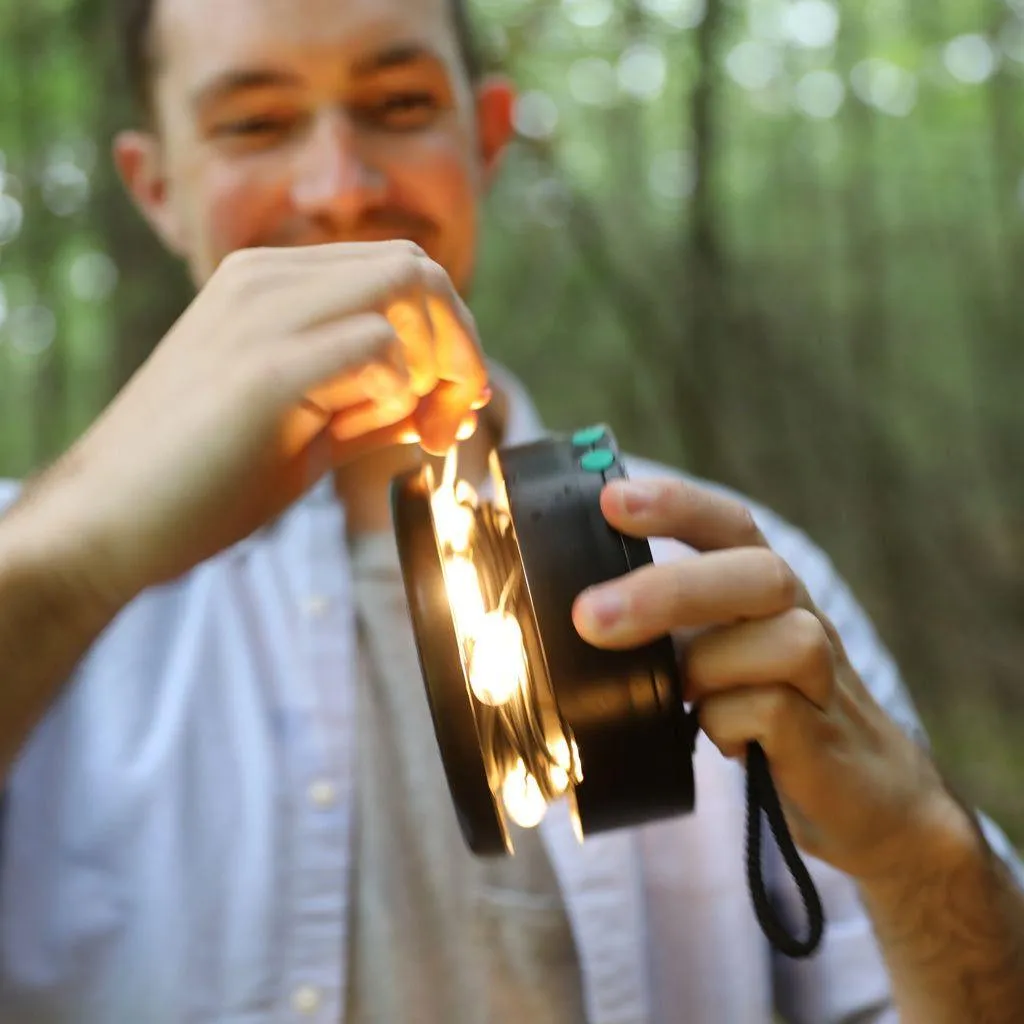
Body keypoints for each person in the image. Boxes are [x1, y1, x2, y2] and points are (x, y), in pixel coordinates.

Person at [0, 0, 1022, 1020]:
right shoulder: (38, 571)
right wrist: (74, 558)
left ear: (487, 137)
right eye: (255, 124)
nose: (341, 190)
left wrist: (917, 854)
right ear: (157, 187)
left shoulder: (721, 578)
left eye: (398, 103)